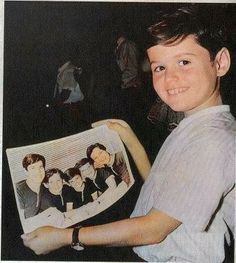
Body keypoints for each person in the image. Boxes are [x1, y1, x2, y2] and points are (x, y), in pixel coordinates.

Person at [21, 5, 235, 262]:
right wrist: (131, 139)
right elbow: (162, 190)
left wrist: (67, 237)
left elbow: (154, 229)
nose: (170, 79)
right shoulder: (194, 125)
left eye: (184, 62)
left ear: (220, 62)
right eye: (159, 68)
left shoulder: (213, 140)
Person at [16, 153, 51, 219]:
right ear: (26, 172)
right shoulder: (18, 191)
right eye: (33, 168)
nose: (38, 171)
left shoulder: (42, 187)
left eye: (40, 167)